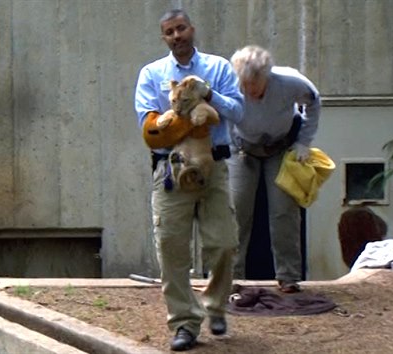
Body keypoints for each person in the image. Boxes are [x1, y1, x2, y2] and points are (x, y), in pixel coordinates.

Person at [134, 9, 244, 352]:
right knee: (171, 249)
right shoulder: (152, 74)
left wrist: (207, 95)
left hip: (216, 168)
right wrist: (186, 122)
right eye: (169, 32)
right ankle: (184, 324)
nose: (176, 36)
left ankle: (215, 306)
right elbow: (150, 129)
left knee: (224, 243)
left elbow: (237, 112)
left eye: (181, 28)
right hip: (170, 171)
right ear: (164, 37)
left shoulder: (219, 68)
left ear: (192, 29)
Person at [227, 45, 321, 293]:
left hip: (280, 148)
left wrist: (304, 142)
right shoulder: (229, 83)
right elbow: (220, 111)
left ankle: (288, 276)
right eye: (244, 85)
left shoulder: (289, 81)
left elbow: (314, 102)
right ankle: (230, 276)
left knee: (283, 211)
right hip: (242, 149)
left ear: (267, 76)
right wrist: (227, 145)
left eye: (255, 85)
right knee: (236, 210)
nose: (249, 91)